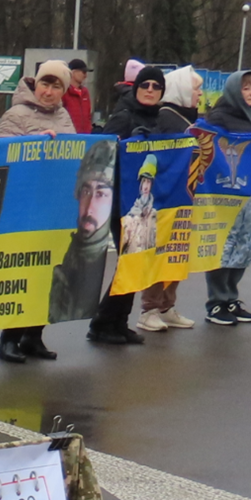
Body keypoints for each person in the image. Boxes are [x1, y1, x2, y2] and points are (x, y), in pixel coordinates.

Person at [92, 64, 193, 344]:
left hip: (144, 204)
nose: (150, 91)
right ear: (136, 88)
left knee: (135, 263)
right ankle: (103, 323)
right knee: (130, 263)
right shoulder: (123, 116)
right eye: (145, 85)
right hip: (120, 202)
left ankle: (116, 322)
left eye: (156, 87)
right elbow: (103, 153)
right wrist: (128, 142)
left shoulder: (158, 119)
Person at [0, 60, 83, 362]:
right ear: (36, 85)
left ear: (63, 90)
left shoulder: (64, 116)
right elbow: (2, 152)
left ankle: (34, 335)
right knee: (22, 273)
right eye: (45, 84)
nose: (49, 91)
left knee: (49, 273)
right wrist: (36, 142)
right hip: (23, 206)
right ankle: (9, 338)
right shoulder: (16, 114)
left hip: (53, 206)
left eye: (56, 86)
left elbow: (74, 153)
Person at [177, 67, 251, 330]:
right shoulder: (219, 117)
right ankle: (216, 301)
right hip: (222, 193)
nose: (250, 93)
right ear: (234, 91)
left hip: (248, 193)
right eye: (245, 88)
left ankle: (231, 297)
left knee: (243, 246)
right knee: (221, 246)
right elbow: (205, 144)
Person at [63, 60, 94, 133]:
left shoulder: (85, 92)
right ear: (73, 73)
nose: (85, 76)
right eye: (83, 72)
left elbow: (88, 116)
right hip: (69, 137)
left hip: (85, 137)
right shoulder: (64, 92)